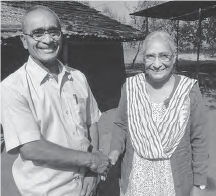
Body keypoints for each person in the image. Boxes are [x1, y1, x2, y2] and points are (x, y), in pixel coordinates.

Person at [0, 5, 111, 196]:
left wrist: (93, 170)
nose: (48, 40)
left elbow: (91, 123)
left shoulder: (78, 77)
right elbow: (31, 148)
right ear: (24, 40)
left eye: (54, 31)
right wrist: (91, 160)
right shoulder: (13, 88)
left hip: (87, 187)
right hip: (46, 191)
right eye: (37, 33)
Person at [108, 31, 209, 196]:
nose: (156, 64)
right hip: (137, 181)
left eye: (164, 56)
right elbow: (121, 124)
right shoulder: (132, 87)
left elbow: (199, 140)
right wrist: (114, 150)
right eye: (150, 56)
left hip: (173, 183)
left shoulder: (188, 90)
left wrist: (199, 185)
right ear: (143, 59)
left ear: (174, 57)